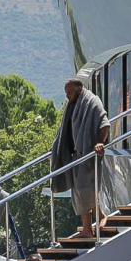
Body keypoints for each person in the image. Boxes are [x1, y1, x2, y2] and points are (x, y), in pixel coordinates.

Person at [51, 78, 109, 239]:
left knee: (84, 190)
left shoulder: (92, 101)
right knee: (79, 192)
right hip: (74, 156)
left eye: (69, 92)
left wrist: (99, 142)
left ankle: (92, 225)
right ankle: (92, 224)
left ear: (79, 88)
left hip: (87, 155)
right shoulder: (73, 105)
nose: (67, 96)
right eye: (66, 93)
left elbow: (105, 123)